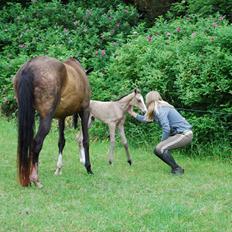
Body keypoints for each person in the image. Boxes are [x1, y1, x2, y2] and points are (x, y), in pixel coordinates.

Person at [128, 91, 193, 175]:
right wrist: (131, 113)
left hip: (184, 134)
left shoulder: (161, 108)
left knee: (159, 149)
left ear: (148, 100)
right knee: (157, 150)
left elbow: (166, 128)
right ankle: (176, 168)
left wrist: (162, 142)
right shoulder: (157, 108)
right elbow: (146, 119)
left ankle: (177, 169)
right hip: (179, 134)